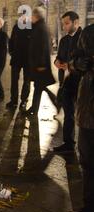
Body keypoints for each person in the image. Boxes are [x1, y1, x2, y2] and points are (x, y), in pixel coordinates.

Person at [64, 24, 94, 212]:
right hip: (89, 113)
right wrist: (85, 62)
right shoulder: (90, 33)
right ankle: (89, 210)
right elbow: (75, 60)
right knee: (88, 162)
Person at [53, 11, 82, 153]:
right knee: (68, 113)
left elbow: (85, 62)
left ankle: (85, 146)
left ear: (75, 22)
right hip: (65, 82)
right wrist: (57, 62)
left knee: (83, 116)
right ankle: (68, 143)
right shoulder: (64, 40)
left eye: (66, 23)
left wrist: (70, 66)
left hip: (80, 83)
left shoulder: (84, 38)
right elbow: (59, 56)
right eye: (63, 23)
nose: (64, 26)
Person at [24, 7, 55, 117]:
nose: (31, 18)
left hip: (40, 65)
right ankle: (34, 108)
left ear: (36, 16)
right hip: (39, 64)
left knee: (40, 87)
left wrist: (41, 64)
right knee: (40, 87)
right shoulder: (40, 26)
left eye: (32, 15)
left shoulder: (40, 28)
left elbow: (42, 47)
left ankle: (56, 103)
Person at [7, 15, 32, 109]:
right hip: (16, 58)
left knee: (27, 81)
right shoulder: (16, 27)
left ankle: (24, 100)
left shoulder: (31, 27)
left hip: (28, 59)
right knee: (14, 80)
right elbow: (11, 40)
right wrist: (11, 51)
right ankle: (13, 100)